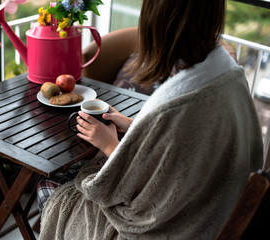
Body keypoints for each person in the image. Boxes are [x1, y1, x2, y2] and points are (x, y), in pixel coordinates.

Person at [37, 0, 264, 239]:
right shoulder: (230, 75)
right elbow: (188, 147)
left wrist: (108, 144)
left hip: (172, 229)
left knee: (48, 185)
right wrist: (135, 126)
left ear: (154, 24)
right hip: (216, 208)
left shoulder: (174, 106)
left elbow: (144, 197)